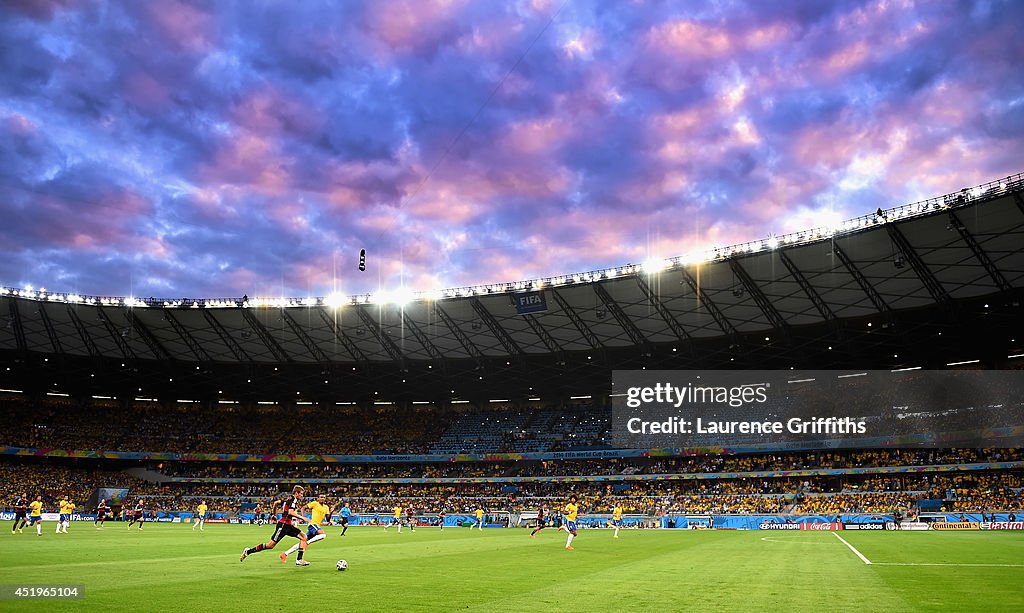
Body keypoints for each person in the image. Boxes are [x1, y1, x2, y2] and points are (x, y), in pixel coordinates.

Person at [240, 485, 311, 566]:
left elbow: (276, 503)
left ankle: (299, 559)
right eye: (301, 494)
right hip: (283, 526)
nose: (302, 495)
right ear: (296, 493)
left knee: (304, 537)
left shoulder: (287, 499)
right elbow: (290, 512)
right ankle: (248, 551)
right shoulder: (293, 500)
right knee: (270, 545)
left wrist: (274, 514)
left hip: (288, 525)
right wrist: (303, 518)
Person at [280, 493, 331, 564]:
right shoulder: (315, 503)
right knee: (323, 535)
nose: (322, 498)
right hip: (312, 524)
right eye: (321, 497)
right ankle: (307, 543)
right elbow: (303, 508)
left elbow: (328, 518)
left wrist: (331, 512)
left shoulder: (326, 507)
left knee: (302, 542)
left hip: (316, 526)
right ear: (318, 498)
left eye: (324, 497)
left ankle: (285, 554)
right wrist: (303, 517)